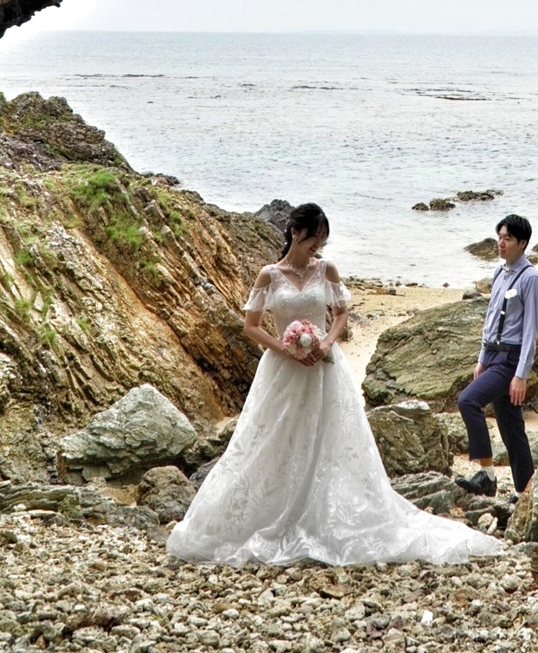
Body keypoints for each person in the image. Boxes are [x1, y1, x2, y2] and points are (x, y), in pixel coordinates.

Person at [167, 202, 502, 566]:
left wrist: (326, 342)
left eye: (323, 240)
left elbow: (341, 313)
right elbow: (251, 325)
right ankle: (272, 510)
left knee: (329, 437)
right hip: (282, 368)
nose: (318, 246)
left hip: (324, 366)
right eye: (314, 238)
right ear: (295, 232)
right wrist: (285, 348)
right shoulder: (269, 275)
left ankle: (324, 512)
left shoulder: (326, 269)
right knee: (274, 438)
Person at [455, 213, 538, 502]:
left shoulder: (531, 278)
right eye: (500, 237)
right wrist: (482, 358)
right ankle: (525, 493)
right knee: (512, 429)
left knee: (468, 401)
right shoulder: (499, 273)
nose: (501, 243)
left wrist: (521, 374)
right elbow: (491, 320)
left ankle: (487, 474)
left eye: (508, 238)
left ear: (523, 243)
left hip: (510, 360)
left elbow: (530, 331)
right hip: (493, 356)